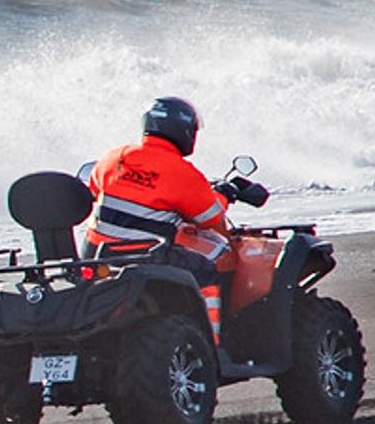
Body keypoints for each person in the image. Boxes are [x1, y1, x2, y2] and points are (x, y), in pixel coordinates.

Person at [82, 97, 269, 339]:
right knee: (206, 269)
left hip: (96, 254)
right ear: (184, 131)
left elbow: (96, 193)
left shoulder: (112, 157)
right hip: (148, 256)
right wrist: (223, 196)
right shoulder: (182, 173)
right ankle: (210, 343)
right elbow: (211, 221)